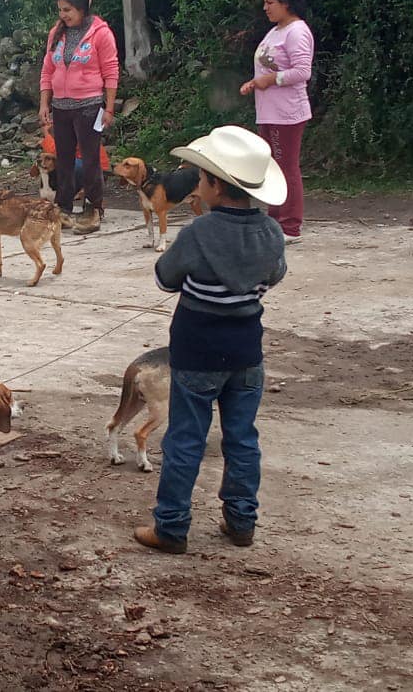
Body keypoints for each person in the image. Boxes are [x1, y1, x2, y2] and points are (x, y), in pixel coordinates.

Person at [133, 125, 288, 555]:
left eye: (201, 178)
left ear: (217, 185)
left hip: (197, 351)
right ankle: (241, 522)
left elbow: (166, 278)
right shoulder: (272, 233)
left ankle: (171, 527)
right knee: (242, 438)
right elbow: (273, 277)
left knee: (186, 438)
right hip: (246, 352)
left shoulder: (198, 234)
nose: (196, 184)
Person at [38, 0, 119, 235]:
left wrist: (109, 108)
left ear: (82, 8)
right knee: (64, 159)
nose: (63, 15)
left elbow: (111, 71)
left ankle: (93, 208)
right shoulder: (56, 33)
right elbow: (47, 70)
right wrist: (44, 103)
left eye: (68, 10)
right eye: (60, 10)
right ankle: (63, 207)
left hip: (89, 105)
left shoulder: (101, 33)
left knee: (91, 158)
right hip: (61, 106)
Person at [240, 0, 314, 245]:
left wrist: (271, 80)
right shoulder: (275, 31)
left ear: (286, 3)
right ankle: (274, 218)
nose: (266, 8)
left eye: (270, 2)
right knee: (271, 166)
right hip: (268, 110)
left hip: (287, 112)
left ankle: (291, 225)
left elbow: (302, 71)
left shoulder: (297, 31)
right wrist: (255, 82)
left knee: (287, 166)